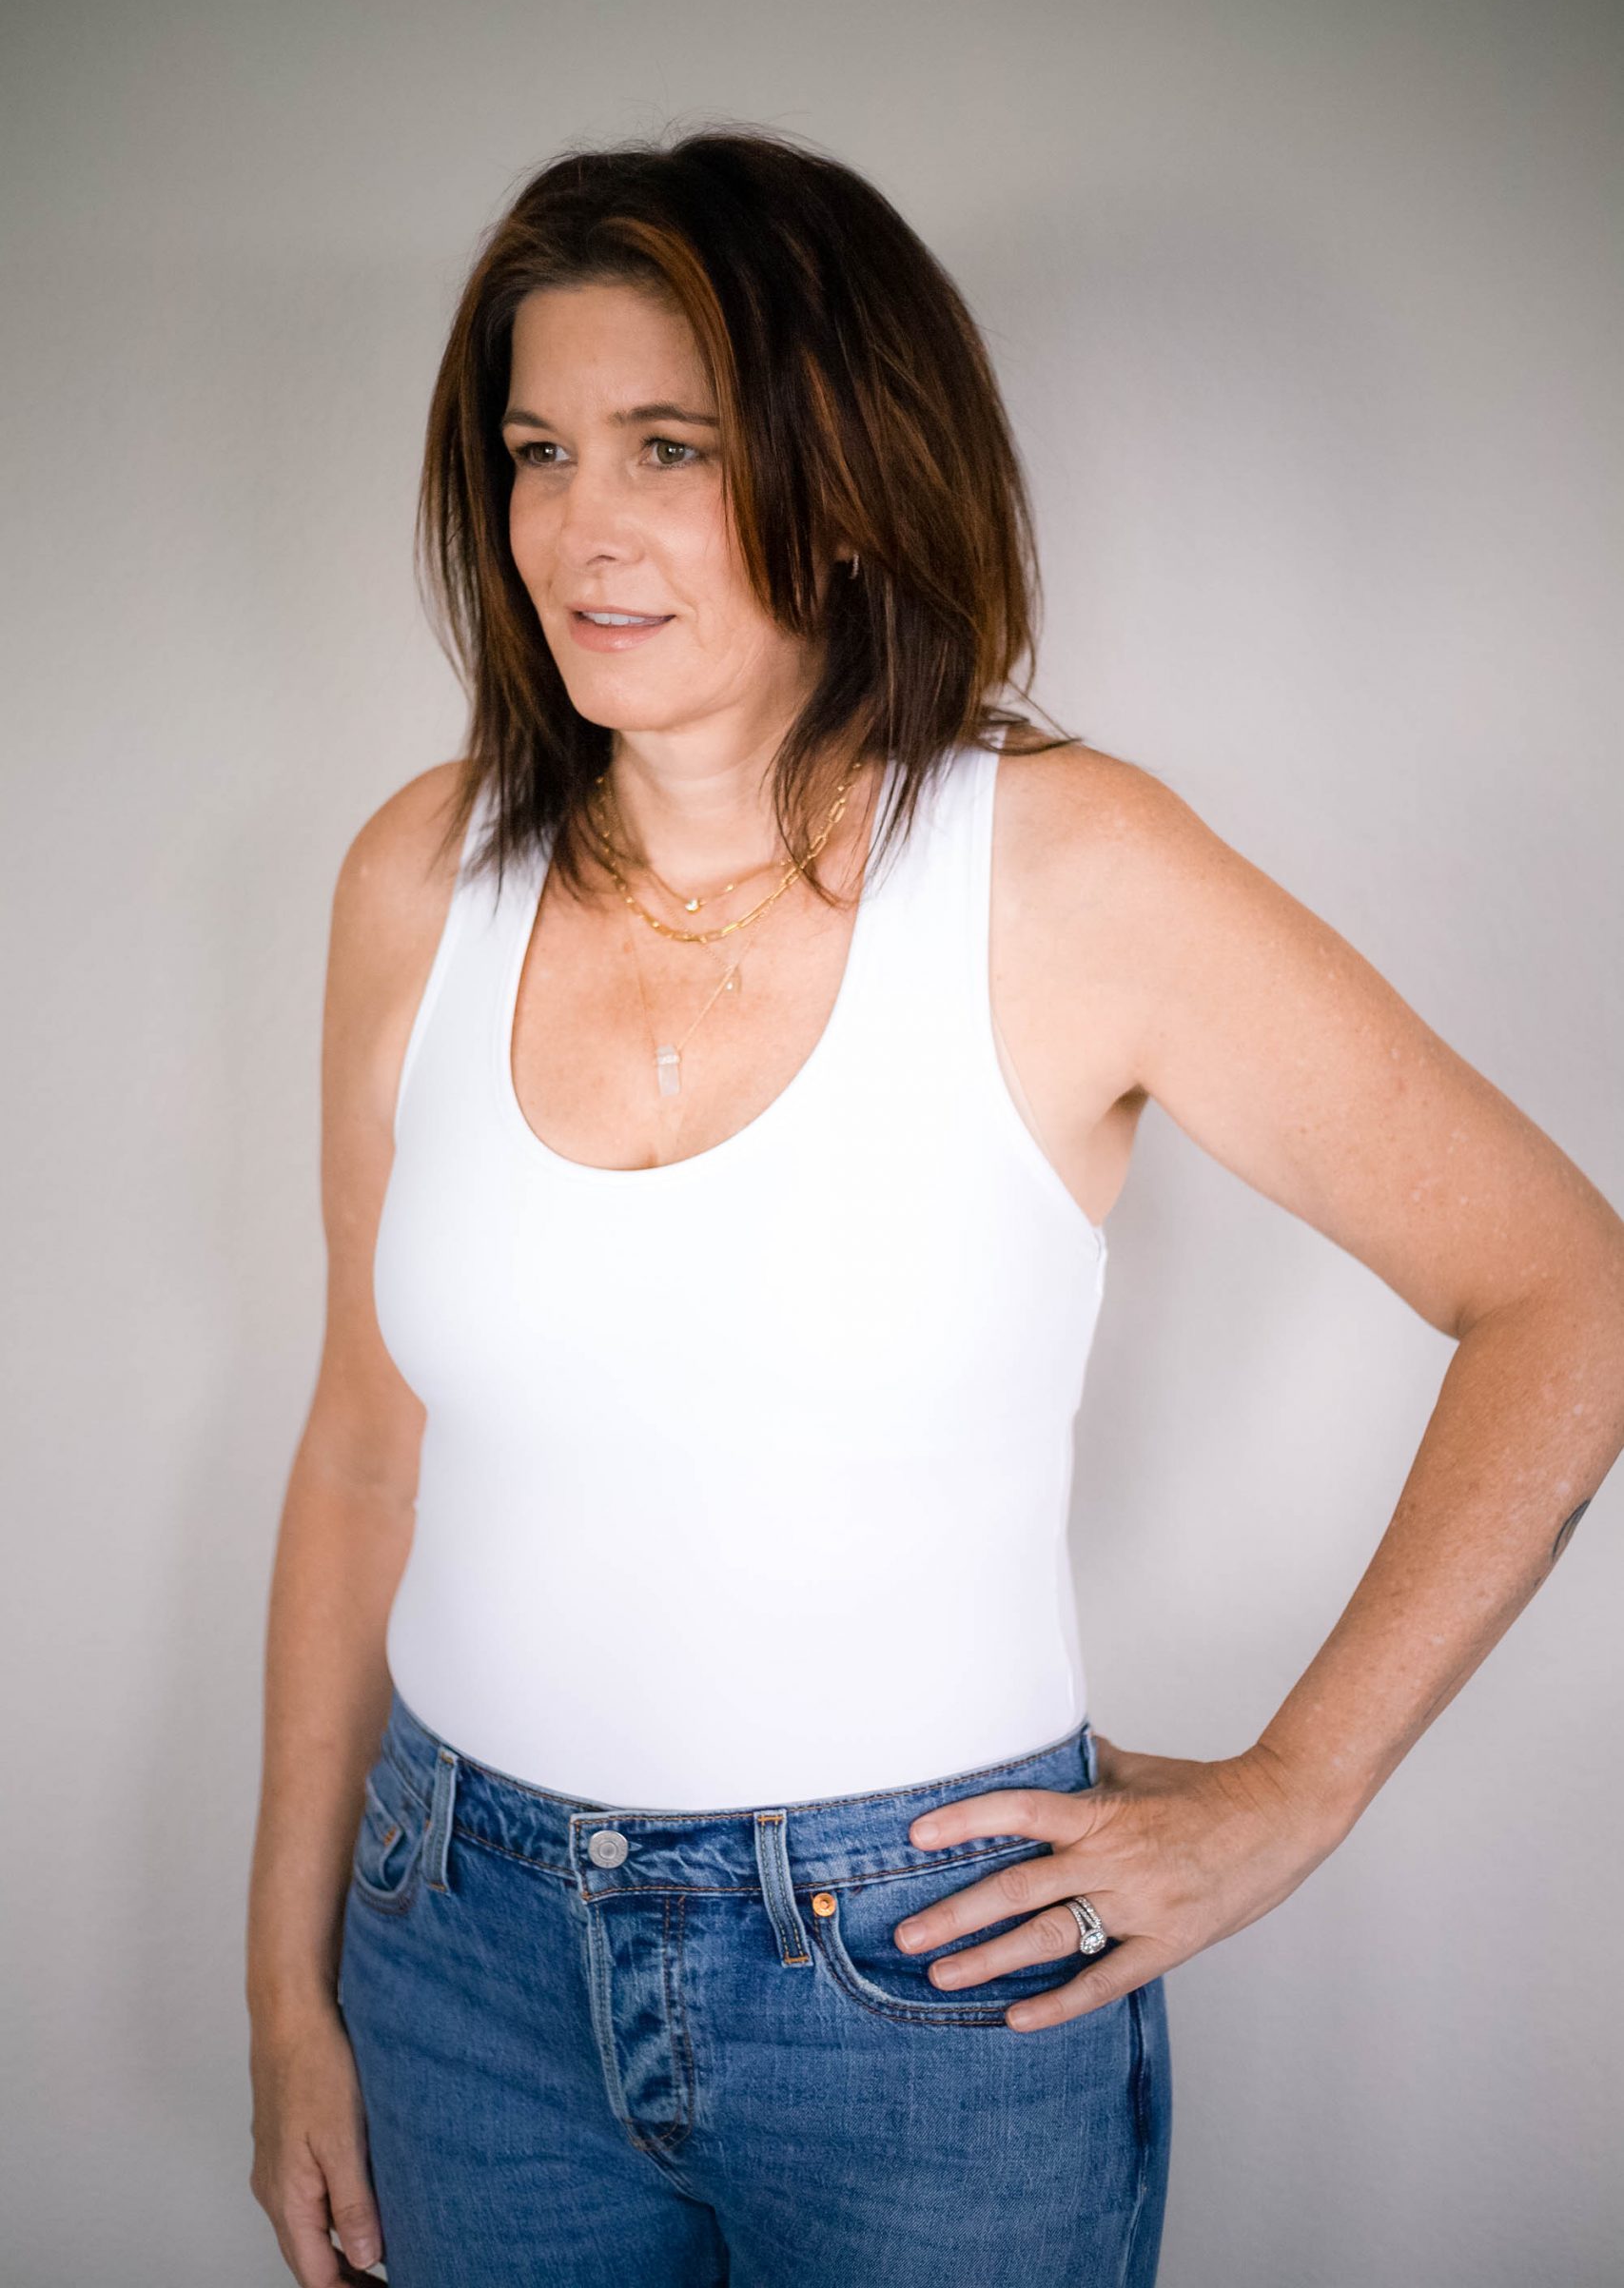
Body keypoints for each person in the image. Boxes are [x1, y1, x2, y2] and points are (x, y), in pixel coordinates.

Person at [245, 127, 1624, 2288]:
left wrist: (1295, 1789)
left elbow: (1561, 1286)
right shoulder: (421, 874)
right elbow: (360, 1444)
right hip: (458, 1946)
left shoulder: (1065, 870)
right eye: (536, 452)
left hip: (920, 1979)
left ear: (846, 467)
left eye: (670, 447)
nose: (580, 528)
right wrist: (286, 1993)